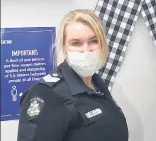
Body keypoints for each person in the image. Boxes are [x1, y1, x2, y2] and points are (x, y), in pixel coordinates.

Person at [17, 9, 128, 141]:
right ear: (64, 47)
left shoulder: (97, 83)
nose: (86, 50)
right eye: (76, 43)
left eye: (93, 41)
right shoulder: (47, 94)